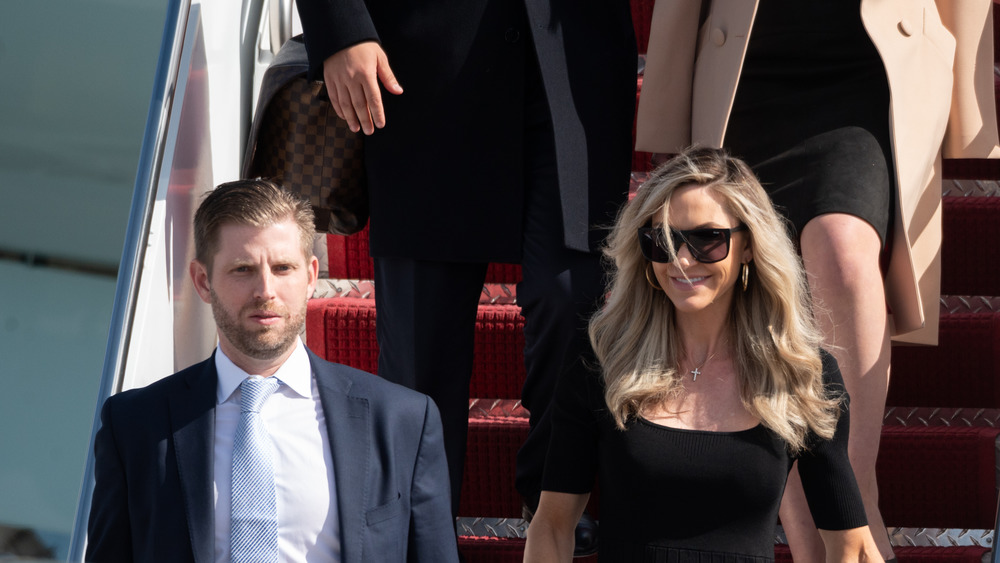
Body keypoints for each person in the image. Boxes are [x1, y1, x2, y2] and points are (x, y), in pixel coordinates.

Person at [634, 2, 1000, 560]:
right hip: (746, 64)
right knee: (755, 288)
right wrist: (668, 107)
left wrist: (970, 109)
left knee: (844, 251)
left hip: (871, 64)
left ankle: (857, 498)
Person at [293, 0, 638, 552]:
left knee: (572, 299)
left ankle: (555, 497)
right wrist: (338, 28)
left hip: (576, 63)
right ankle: (420, 534)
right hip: (420, 72)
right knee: (419, 344)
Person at [524, 147, 882, 562]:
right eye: (661, 240)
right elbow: (551, 526)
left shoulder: (801, 373)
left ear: (749, 245)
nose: (681, 259)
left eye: (707, 239)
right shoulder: (604, 357)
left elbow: (852, 547)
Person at [86, 179, 458, 563]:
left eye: (283, 268)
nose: (265, 290)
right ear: (203, 281)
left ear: (311, 276)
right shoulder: (134, 426)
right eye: (243, 269)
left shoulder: (402, 419)